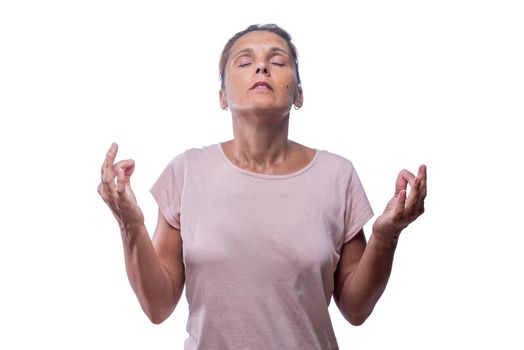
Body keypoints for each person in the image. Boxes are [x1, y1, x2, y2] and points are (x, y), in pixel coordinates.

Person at [97, 23, 427, 350]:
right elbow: (157, 305)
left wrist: (387, 236)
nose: (261, 66)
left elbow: (355, 308)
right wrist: (130, 223)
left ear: (298, 93)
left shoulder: (337, 175)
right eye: (244, 62)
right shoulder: (187, 172)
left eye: (278, 61)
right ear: (223, 96)